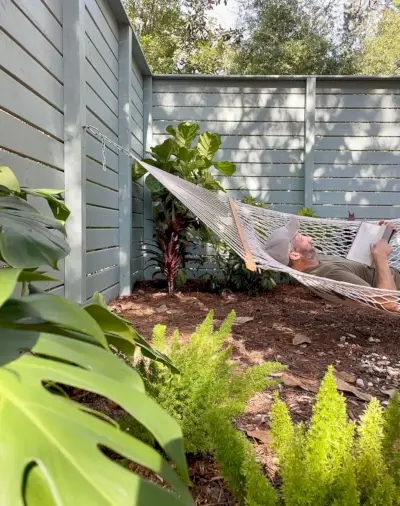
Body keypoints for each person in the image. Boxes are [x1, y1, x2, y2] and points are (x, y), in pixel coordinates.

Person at [265, 216, 400, 311]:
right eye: (301, 237)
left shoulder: (312, 258)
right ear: (294, 255)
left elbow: (358, 265)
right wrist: (381, 256)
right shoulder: (330, 274)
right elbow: (388, 302)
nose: (310, 238)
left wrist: (378, 236)